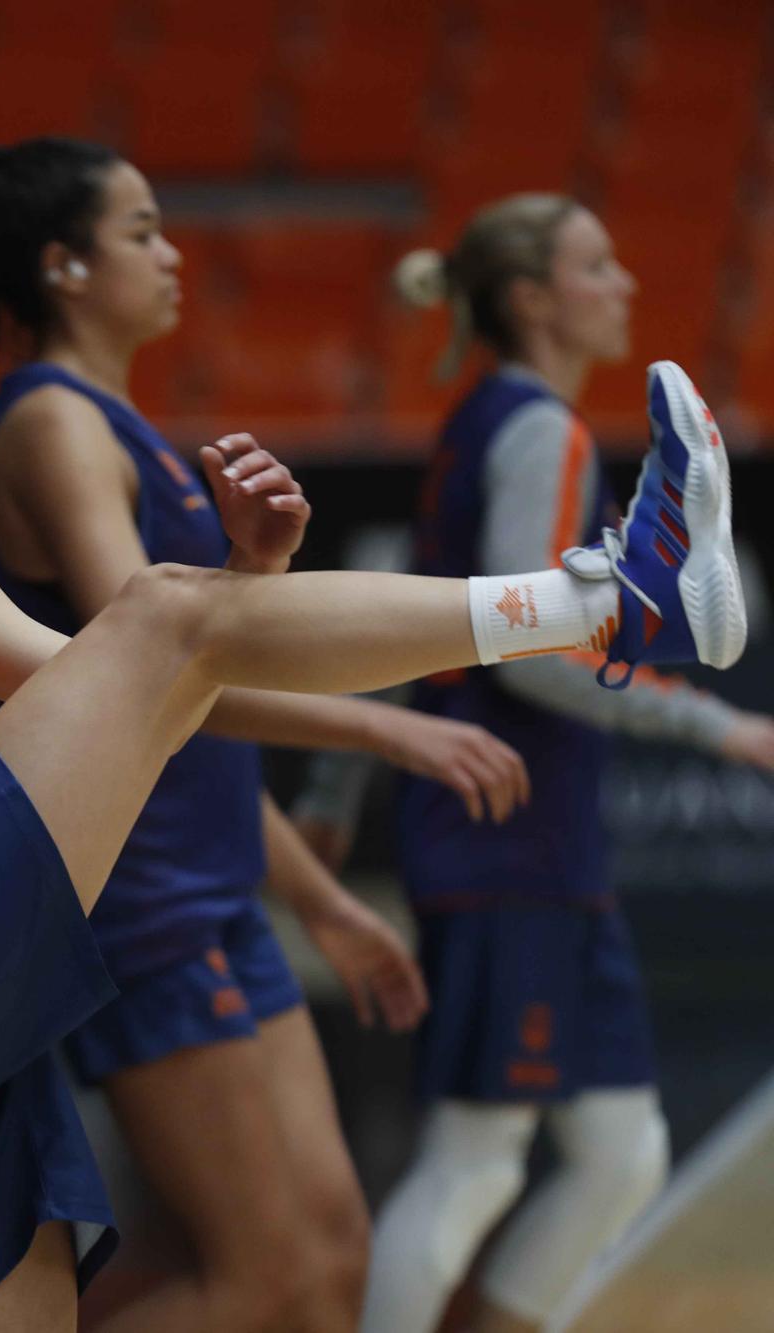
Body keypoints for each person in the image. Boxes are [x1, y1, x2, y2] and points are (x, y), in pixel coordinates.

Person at [0, 206, 744, 1331]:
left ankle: (600, 608)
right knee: (161, 606)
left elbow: (155, 701)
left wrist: (258, 608)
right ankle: (601, 601)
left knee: (172, 618)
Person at [0, 137, 535, 1330]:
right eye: (142, 231)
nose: (172, 255)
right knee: (265, 1280)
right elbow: (150, 674)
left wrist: (315, 897)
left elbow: (187, 719)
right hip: (141, 909)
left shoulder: (118, 421)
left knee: (327, 1270)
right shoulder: (53, 425)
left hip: (211, 891)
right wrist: (382, 733)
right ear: (61, 265)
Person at [273, 194, 774, 1333]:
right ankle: (653, 568)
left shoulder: (479, 420)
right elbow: (529, 649)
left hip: (530, 837)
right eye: (598, 266)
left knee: (618, 1148)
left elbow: (410, 622)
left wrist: (332, 792)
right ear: (533, 299)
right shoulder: (535, 430)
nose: (625, 287)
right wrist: (717, 726)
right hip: (502, 831)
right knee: (475, 1157)